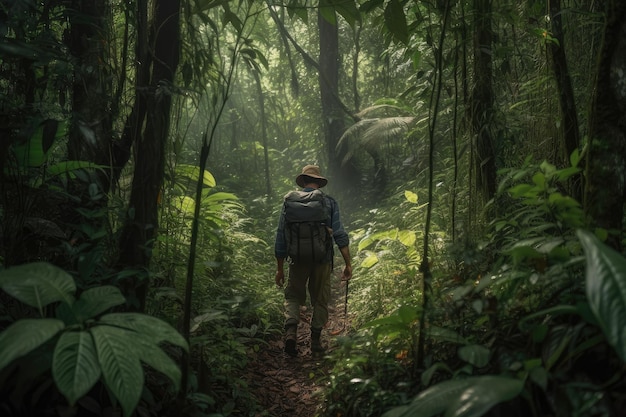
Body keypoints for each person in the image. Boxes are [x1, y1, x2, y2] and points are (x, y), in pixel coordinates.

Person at [274, 165, 352, 357]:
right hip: (322, 260)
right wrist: (348, 263)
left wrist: (280, 269)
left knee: (293, 297)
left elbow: (281, 236)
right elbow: (339, 233)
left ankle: (291, 334)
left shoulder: (290, 202)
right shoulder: (329, 202)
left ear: (303, 181)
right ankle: (315, 342)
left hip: (297, 260)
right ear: (319, 182)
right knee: (320, 299)